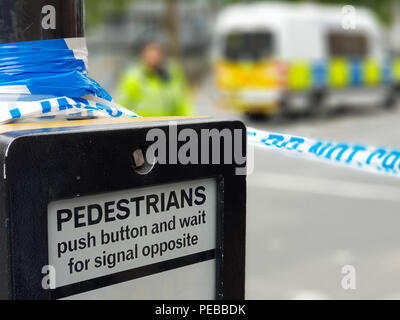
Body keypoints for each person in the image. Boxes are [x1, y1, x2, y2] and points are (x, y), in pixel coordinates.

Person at [116, 41, 193, 117]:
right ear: (143, 56)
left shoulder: (171, 76)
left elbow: (181, 103)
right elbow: (123, 104)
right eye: (151, 54)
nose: (155, 58)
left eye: (158, 54)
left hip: (167, 125)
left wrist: (189, 121)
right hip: (142, 126)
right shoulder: (134, 78)